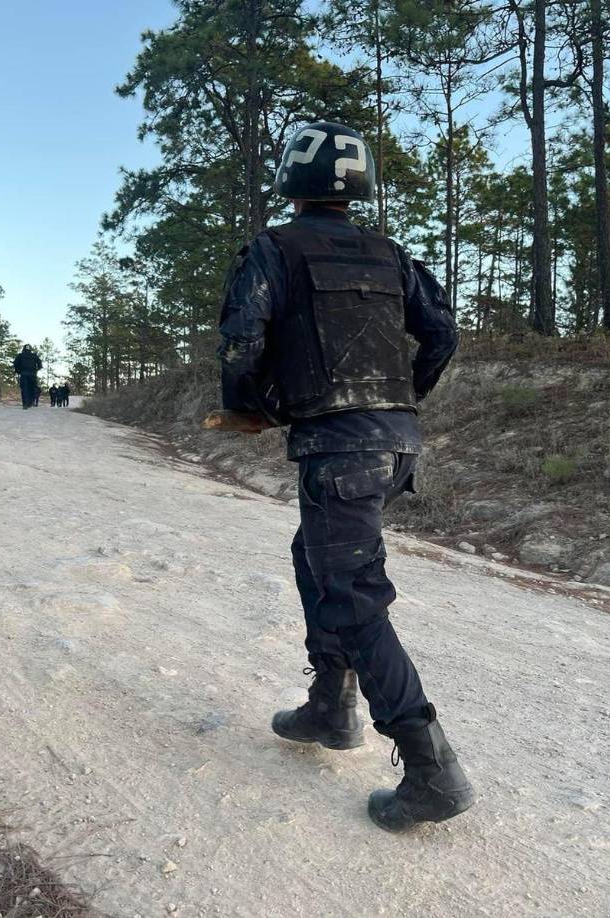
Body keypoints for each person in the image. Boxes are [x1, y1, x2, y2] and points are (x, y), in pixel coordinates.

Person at [218, 121, 471, 832]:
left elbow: (243, 340)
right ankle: (331, 707)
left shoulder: (274, 248)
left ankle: (430, 771)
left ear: (292, 182)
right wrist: (400, 401)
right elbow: (443, 333)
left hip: (337, 451)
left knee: (353, 597)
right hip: (395, 446)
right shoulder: (390, 253)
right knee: (315, 561)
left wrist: (249, 407)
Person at [13, 344, 43, 409]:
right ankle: (30, 402)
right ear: (30, 349)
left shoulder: (20, 355)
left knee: (24, 389)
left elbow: (15, 364)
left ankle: (25, 404)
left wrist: (18, 371)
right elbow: (40, 364)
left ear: (23, 349)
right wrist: (36, 370)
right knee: (32, 389)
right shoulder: (34, 355)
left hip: (24, 374)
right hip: (33, 375)